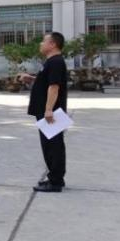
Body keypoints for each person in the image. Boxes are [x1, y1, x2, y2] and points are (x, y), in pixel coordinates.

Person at [20, 32, 69, 193]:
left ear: (52, 44)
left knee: (53, 146)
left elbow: (54, 87)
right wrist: (33, 79)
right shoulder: (51, 62)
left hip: (50, 113)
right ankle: (55, 178)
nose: (41, 44)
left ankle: (56, 181)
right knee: (50, 146)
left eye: (44, 41)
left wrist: (49, 110)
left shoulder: (55, 62)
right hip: (46, 110)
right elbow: (48, 82)